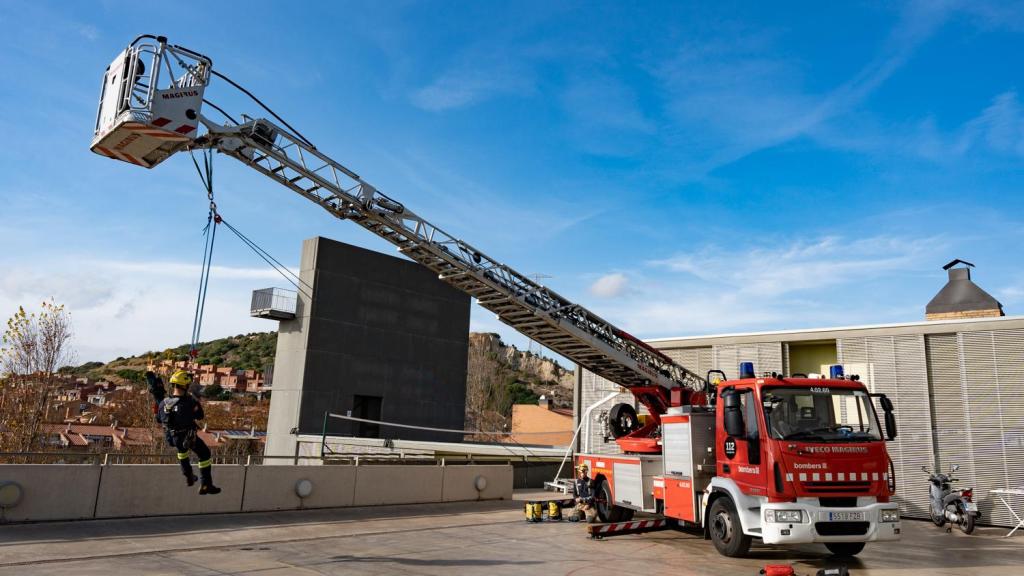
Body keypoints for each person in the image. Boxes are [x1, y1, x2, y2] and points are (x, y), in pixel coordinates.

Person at [155, 370, 221, 495]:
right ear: (185, 386)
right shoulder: (189, 402)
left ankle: (188, 475)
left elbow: (159, 419)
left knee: (182, 452)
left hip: (172, 438)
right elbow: (200, 416)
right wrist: (194, 400)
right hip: (187, 437)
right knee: (205, 454)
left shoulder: (164, 402)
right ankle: (206, 484)